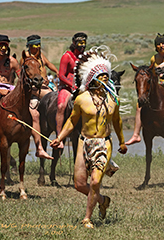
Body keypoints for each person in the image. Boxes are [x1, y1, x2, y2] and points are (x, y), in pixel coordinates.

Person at [50, 50, 127, 229]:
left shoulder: (113, 100)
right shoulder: (82, 99)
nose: (105, 81)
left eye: (106, 77)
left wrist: (122, 142)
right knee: (79, 184)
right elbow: (72, 121)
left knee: (94, 182)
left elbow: (117, 121)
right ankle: (103, 200)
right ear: (92, 79)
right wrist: (59, 137)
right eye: (101, 77)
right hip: (84, 143)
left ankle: (87, 218)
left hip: (104, 143)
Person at [0, 34, 53, 160]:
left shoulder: (12, 61)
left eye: (5, 45)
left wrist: (37, 82)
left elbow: (22, 78)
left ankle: (39, 147)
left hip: (10, 91)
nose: (3, 48)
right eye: (0, 45)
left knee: (34, 114)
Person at [125, 33, 164, 146]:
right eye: (158, 44)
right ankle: (136, 134)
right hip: (160, 86)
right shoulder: (153, 59)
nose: (161, 46)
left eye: (163, 43)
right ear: (155, 46)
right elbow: (153, 76)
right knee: (139, 105)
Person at [55, 32, 87, 148]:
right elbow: (61, 76)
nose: (82, 46)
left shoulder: (85, 57)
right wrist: (72, 85)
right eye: (80, 43)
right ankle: (59, 137)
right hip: (67, 88)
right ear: (74, 43)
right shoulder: (67, 56)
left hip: (83, 87)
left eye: (84, 43)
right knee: (61, 106)